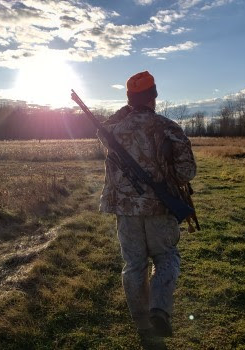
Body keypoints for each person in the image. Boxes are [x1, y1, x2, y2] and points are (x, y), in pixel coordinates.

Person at [97, 71, 196, 347]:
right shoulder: (169, 128)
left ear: (129, 99)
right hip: (160, 208)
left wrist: (126, 110)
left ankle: (143, 325)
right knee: (166, 257)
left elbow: (101, 128)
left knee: (134, 266)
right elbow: (187, 172)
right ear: (154, 95)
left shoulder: (112, 130)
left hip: (125, 211)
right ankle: (160, 310)